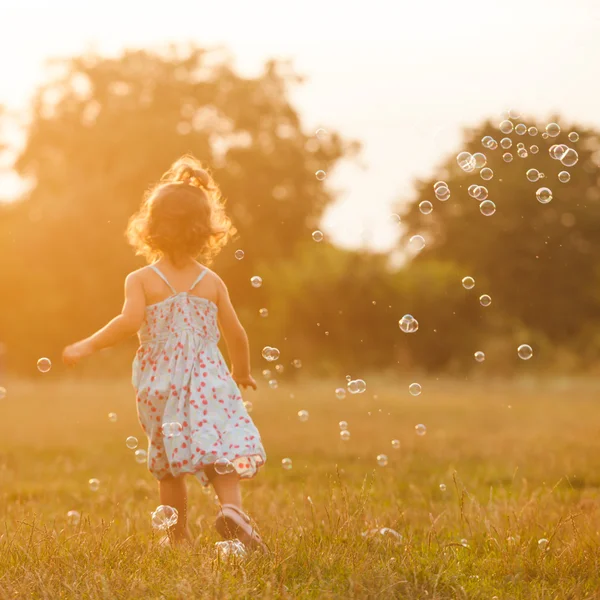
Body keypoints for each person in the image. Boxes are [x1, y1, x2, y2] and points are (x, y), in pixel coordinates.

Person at [62, 155, 266, 550]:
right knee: (220, 444)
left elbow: (126, 323)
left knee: (169, 464)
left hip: (161, 384)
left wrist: (87, 344)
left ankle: (178, 537)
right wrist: (241, 373)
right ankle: (232, 509)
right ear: (206, 231)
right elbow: (237, 334)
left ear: (150, 227)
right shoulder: (212, 282)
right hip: (209, 378)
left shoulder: (141, 280)